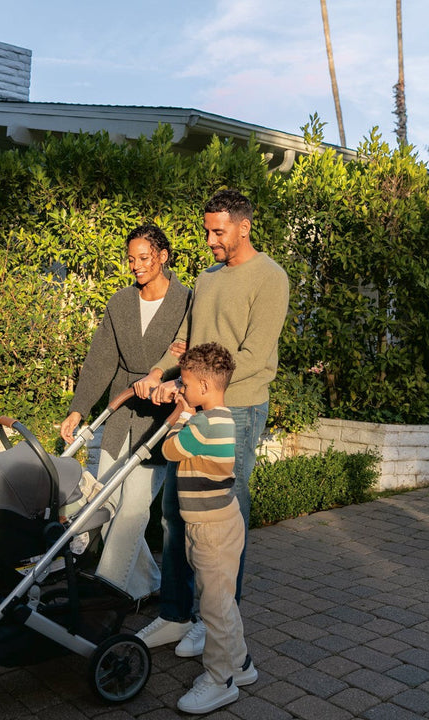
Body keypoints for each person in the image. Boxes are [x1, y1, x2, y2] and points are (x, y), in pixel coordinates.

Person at [134, 189, 289, 653]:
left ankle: (217, 621)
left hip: (236, 410)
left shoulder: (270, 278)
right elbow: (185, 341)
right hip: (192, 404)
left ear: (244, 226)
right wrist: (159, 372)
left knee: (223, 521)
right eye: (207, 231)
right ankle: (175, 614)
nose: (209, 240)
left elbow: (253, 356)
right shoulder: (206, 278)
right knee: (175, 513)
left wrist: (195, 391)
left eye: (218, 232)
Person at [60, 224, 191, 600]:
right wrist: (78, 409)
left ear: (163, 256)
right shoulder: (119, 303)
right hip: (121, 410)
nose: (136, 265)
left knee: (133, 507)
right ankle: (148, 585)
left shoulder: (187, 301)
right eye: (131, 259)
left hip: (161, 416)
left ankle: (109, 591)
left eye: (144, 258)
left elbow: (189, 352)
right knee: (106, 502)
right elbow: (100, 360)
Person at [161, 342, 257, 713]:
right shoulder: (222, 418)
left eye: (185, 384)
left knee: (215, 609)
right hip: (219, 523)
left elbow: (169, 450)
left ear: (203, 386)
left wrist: (181, 414)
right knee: (222, 602)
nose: (182, 389)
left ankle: (220, 681)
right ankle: (241, 663)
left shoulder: (202, 424)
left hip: (211, 531)